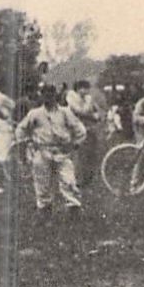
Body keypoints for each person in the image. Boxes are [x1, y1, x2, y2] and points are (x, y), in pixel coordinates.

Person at [16, 85, 87, 213]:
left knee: (68, 180)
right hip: (42, 151)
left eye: (51, 94)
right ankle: (44, 210)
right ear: (42, 96)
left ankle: (74, 209)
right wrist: (27, 143)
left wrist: (75, 144)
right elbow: (21, 129)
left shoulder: (65, 112)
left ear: (56, 95)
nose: (49, 97)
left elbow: (80, 129)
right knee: (42, 183)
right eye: (45, 94)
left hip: (62, 152)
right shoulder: (35, 113)